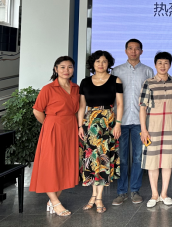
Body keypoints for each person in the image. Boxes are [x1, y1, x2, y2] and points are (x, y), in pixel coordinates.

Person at [30, 56, 80, 217]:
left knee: (65, 165)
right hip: (53, 128)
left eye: (70, 67)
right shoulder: (48, 88)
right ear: (55, 69)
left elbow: (78, 110)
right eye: (62, 67)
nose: (66, 70)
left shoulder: (76, 88)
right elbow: (37, 110)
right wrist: (49, 125)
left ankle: (52, 201)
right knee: (50, 165)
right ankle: (56, 202)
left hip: (70, 128)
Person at [78, 50, 123, 214]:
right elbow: (82, 106)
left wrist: (118, 124)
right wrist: (80, 126)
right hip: (90, 123)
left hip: (107, 123)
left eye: (104, 61)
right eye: (97, 61)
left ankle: (98, 198)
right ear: (93, 64)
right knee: (92, 160)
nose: (101, 64)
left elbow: (120, 103)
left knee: (103, 160)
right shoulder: (85, 82)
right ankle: (94, 197)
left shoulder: (115, 80)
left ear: (108, 63)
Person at [111, 39, 154, 206]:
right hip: (120, 121)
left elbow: (151, 97)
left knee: (138, 157)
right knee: (122, 158)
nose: (133, 51)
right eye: (130, 48)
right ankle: (121, 192)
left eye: (137, 49)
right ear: (125, 51)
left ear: (141, 51)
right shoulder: (116, 71)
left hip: (139, 121)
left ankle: (135, 190)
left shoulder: (148, 71)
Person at [139, 51, 172, 208]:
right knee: (152, 162)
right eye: (160, 63)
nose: (163, 66)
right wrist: (144, 130)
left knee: (167, 162)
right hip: (152, 127)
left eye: (166, 63)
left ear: (170, 65)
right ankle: (154, 194)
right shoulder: (148, 83)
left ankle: (164, 194)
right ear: (155, 65)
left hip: (170, 127)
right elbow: (142, 107)